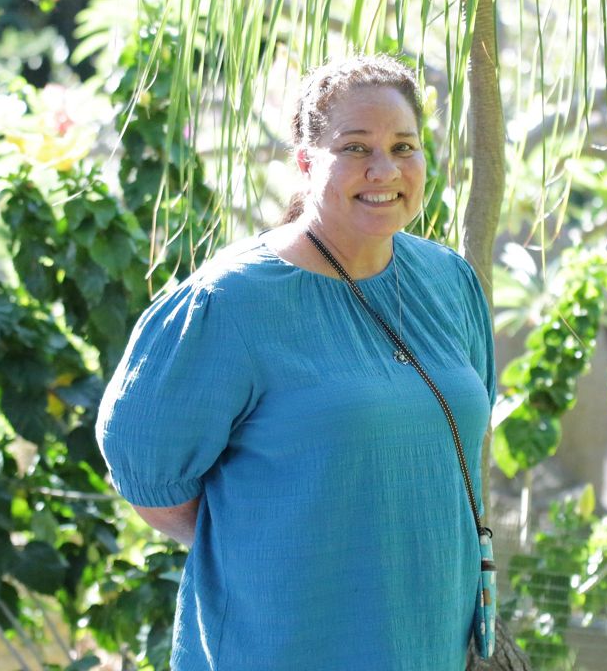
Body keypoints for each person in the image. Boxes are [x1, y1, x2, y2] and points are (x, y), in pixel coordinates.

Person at [95, 54, 495, 670]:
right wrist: (277, 536)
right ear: (307, 162)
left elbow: (458, 440)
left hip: (429, 646)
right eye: (355, 147)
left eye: (403, 146)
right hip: (283, 644)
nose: (383, 169)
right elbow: (151, 482)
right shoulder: (229, 303)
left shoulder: (450, 282)